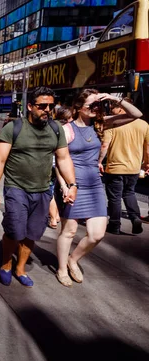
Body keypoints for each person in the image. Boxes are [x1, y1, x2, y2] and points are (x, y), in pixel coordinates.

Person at [0, 86, 77, 287]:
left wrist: (72, 184)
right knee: (15, 231)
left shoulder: (55, 129)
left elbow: (63, 158)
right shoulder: (13, 128)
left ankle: (21, 269)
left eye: (50, 106)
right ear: (30, 106)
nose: (47, 110)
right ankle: (6, 264)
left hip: (43, 190)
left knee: (32, 233)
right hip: (16, 188)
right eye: (42, 106)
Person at [54, 91, 142, 287]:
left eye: (98, 105)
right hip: (72, 184)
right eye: (91, 105)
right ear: (78, 107)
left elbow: (136, 115)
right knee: (69, 231)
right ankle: (61, 268)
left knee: (97, 234)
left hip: (94, 185)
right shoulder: (66, 129)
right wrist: (64, 186)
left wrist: (113, 98)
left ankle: (73, 259)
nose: (96, 108)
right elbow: (59, 161)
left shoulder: (101, 125)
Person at [98, 97, 149, 235]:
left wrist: (98, 162)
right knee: (129, 192)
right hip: (133, 167)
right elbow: (148, 148)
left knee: (114, 197)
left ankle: (114, 225)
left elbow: (104, 146)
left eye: (114, 106)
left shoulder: (112, 123)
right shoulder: (143, 124)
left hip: (115, 168)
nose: (112, 109)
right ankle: (135, 217)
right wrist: (146, 163)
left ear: (122, 108)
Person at [48, 106, 74, 229]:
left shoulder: (54, 127)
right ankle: (58, 215)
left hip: (52, 163)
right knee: (60, 189)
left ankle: (54, 218)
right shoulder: (72, 129)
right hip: (67, 165)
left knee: (50, 190)